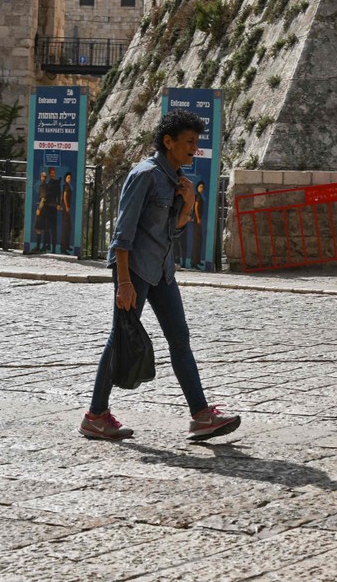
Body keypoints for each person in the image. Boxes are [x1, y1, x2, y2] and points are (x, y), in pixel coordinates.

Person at [80, 110, 239, 443]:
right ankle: (95, 416)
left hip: (163, 271)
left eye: (197, 142)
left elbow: (172, 232)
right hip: (135, 270)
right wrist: (123, 282)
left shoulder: (175, 179)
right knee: (120, 339)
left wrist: (187, 205)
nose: (194, 149)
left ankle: (201, 416)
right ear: (168, 141)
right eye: (189, 142)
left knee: (180, 338)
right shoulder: (145, 175)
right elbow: (122, 234)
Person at [58, 171, 74, 253]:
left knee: (68, 227)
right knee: (65, 227)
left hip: (67, 207)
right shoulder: (66, 186)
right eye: (68, 178)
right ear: (65, 178)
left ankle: (67, 246)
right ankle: (63, 247)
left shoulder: (67, 186)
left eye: (70, 178)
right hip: (65, 208)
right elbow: (64, 197)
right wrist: (66, 206)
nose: (69, 179)